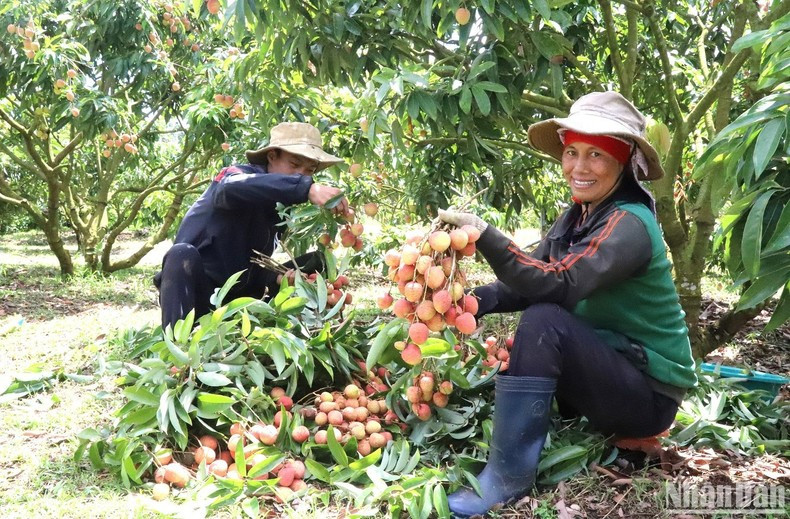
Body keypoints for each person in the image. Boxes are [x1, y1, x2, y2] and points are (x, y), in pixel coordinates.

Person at [438, 91, 697, 517]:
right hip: (609, 369)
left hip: (646, 395)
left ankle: (507, 477)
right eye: (572, 152)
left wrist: (487, 235)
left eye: (596, 154)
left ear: (624, 160)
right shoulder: (578, 215)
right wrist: (467, 302)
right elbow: (529, 281)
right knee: (538, 322)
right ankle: (532, 441)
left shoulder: (630, 224)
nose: (578, 167)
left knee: (545, 322)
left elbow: (560, 285)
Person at [155, 122, 349, 330]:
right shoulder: (237, 176)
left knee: (317, 263)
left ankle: (314, 330)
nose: (301, 175)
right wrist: (306, 189)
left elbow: (252, 263)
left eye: (309, 170)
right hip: (200, 297)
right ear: (272, 156)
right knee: (180, 254)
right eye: (294, 164)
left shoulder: (281, 208)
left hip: (240, 302)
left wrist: (277, 278)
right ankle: (176, 345)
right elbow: (228, 188)